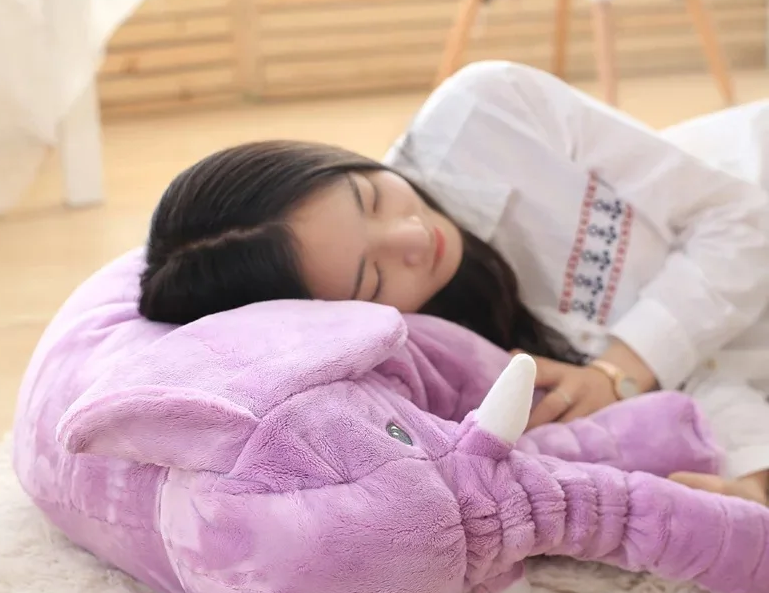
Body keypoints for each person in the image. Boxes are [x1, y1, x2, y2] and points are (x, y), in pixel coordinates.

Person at [138, 61, 769, 505]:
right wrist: (753, 478)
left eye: (370, 197)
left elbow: (741, 220)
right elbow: (696, 377)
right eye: (374, 277)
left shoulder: (486, 112)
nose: (414, 236)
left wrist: (619, 370)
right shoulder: (428, 367)